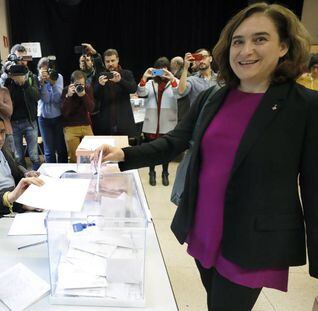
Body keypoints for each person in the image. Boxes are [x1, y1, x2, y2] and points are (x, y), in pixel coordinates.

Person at [92, 3, 318, 310]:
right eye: (238, 41)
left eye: (260, 39)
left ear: (284, 47)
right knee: (215, 302)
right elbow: (175, 141)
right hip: (204, 226)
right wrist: (122, 154)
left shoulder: (304, 107)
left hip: (252, 240)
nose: (246, 50)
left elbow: (314, 187)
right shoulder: (215, 96)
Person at [137, 57, 179, 186]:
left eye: (164, 69)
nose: (161, 72)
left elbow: (179, 93)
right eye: (158, 70)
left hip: (167, 121)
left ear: (168, 69)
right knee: (152, 150)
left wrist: (172, 78)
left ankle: (165, 173)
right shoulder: (150, 83)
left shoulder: (175, 81)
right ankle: (152, 172)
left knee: (165, 150)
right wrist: (144, 77)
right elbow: (141, 93)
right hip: (153, 122)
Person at [2, 44, 41, 170]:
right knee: (18, 157)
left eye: (25, 58)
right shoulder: (7, 78)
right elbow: (4, 95)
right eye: (19, 58)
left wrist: (24, 84)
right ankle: (23, 181)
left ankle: (38, 182)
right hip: (13, 123)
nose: (22, 61)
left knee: (34, 156)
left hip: (30, 121)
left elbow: (36, 96)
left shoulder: (32, 77)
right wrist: (9, 76)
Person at [87, 45, 138, 138]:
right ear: (105, 62)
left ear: (118, 60)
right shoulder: (101, 75)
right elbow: (95, 95)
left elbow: (133, 88)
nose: (110, 64)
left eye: (112, 60)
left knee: (125, 150)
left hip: (124, 119)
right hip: (106, 120)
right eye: (107, 61)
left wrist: (120, 81)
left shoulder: (127, 73)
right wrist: (100, 85)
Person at [37, 57, 68, 163]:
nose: (46, 73)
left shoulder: (58, 77)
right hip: (44, 118)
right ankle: (51, 174)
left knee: (61, 147)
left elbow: (57, 98)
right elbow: (45, 99)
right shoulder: (38, 79)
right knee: (49, 150)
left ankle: (64, 172)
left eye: (47, 70)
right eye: (42, 70)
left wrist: (53, 83)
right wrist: (44, 84)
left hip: (58, 116)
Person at [61, 70, 95, 163]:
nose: (80, 86)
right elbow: (64, 112)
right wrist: (69, 96)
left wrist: (84, 95)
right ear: (71, 84)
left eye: (82, 84)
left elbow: (91, 108)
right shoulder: (66, 90)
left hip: (85, 125)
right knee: (74, 157)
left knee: (92, 152)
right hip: (70, 127)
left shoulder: (87, 89)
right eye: (77, 84)